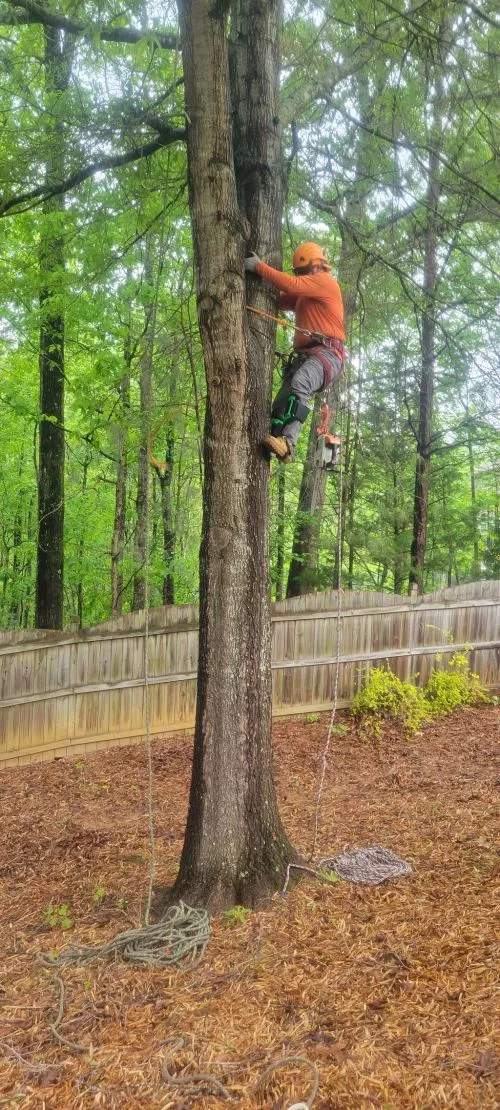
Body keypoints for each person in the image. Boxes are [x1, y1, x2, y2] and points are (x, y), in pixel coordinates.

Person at [245, 241, 346, 462]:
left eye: (305, 271)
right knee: (281, 403)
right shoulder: (306, 294)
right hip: (306, 357)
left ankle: (289, 443)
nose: (303, 275)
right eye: (300, 272)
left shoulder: (325, 282)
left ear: (318, 266)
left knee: (302, 382)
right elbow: (279, 299)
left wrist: (259, 267)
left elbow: (290, 284)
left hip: (327, 355)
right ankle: (274, 445)